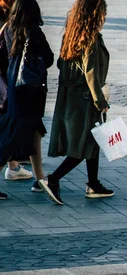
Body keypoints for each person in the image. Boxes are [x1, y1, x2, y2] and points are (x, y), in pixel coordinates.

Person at [39, 0, 112, 205]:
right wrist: (100, 101)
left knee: (92, 140)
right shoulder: (91, 39)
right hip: (85, 100)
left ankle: (94, 183)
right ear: (95, 14)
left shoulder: (71, 35)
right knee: (84, 145)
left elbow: (62, 64)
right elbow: (91, 73)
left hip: (71, 98)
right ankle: (52, 180)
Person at [0, 0, 53, 200]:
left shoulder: (8, 28)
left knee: (34, 133)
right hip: (30, 93)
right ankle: (35, 178)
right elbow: (48, 58)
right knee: (13, 140)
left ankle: (40, 179)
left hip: (13, 88)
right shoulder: (34, 32)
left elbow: (2, 57)